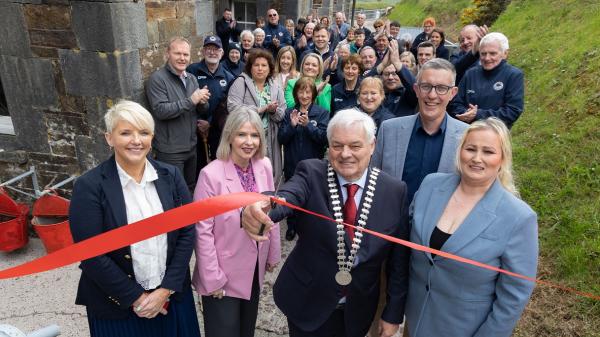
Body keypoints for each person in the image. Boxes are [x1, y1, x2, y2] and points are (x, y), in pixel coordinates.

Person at [241, 108, 410, 337]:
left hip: (358, 309)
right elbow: (288, 196)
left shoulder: (394, 191)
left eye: (355, 146)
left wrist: (393, 313)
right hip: (307, 301)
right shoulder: (311, 173)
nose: (345, 154)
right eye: (337, 145)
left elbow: (398, 262)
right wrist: (264, 206)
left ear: (372, 145)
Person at [69, 100, 201, 337]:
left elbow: (187, 230)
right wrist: (137, 298)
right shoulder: (89, 186)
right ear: (109, 138)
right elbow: (90, 252)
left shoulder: (170, 175)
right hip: (118, 305)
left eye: (143, 132)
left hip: (171, 298)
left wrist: (166, 289)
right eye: (126, 133)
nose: (136, 140)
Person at [405, 117, 538, 337]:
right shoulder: (431, 185)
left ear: (502, 158)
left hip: (463, 329)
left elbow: (514, 296)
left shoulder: (519, 218)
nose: (477, 158)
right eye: (471, 149)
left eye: (488, 152)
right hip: (414, 319)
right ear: (460, 152)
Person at [193, 107, 281, 337]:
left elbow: (272, 212)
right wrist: (213, 279)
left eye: (254, 135)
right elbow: (203, 231)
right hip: (223, 273)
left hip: (253, 267)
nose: (249, 142)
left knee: (246, 330)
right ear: (230, 135)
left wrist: (273, 253)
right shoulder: (210, 175)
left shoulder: (265, 166)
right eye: (242, 134)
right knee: (224, 331)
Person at [372, 58, 468, 202]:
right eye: (426, 86)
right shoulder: (389, 130)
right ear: (416, 89)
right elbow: (373, 181)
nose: (432, 95)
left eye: (441, 88)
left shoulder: (466, 137)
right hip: (391, 221)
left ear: (453, 93)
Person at [146, 37, 210, 190]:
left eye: (186, 54)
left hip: (191, 146)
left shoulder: (192, 79)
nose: (182, 58)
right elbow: (161, 111)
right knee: (173, 190)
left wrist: (203, 102)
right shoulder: (157, 79)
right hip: (170, 150)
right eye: (177, 53)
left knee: (190, 187)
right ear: (168, 54)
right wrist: (192, 100)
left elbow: (201, 109)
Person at [278, 77, 329, 241]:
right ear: (296, 93)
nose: (304, 95)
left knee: (312, 197)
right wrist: (292, 126)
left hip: (313, 165)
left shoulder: (322, 113)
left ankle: (309, 228)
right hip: (293, 165)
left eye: (308, 91)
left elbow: (324, 139)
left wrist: (309, 126)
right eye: (301, 91)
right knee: (292, 197)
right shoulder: (289, 112)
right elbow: (281, 139)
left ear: (313, 93)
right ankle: (292, 226)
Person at [227, 48, 286, 184]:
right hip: (246, 136)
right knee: (246, 171)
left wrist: (272, 111)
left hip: (269, 137)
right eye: (256, 65)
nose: (260, 69)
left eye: (264, 65)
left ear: (270, 68)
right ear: (250, 67)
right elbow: (233, 108)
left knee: (267, 172)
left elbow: (281, 113)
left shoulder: (275, 86)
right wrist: (260, 109)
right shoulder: (241, 82)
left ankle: (267, 199)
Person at [449, 32, 525, 128]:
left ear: (505, 53)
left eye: (493, 53)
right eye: (483, 54)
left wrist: (479, 114)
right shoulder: (470, 74)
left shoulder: (513, 75)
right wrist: (465, 113)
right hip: (467, 132)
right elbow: (455, 103)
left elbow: (512, 111)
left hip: (496, 135)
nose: (487, 58)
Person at [187, 35, 235, 169]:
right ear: (203, 51)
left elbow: (227, 106)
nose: (212, 52)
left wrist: (210, 122)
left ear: (222, 53)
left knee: (218, 164)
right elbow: (186, 97)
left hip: (217, 129)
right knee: (198, 167)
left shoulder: (229, 77)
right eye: (209, 48)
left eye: (216, 49)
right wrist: (198, 121)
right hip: (194, 128)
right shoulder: (191, 71)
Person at [380, 41, 418, 118]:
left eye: (394, 74)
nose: (390, 77)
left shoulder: (407, 94)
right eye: (387, 74)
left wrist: (397, 63)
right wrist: (381, 66)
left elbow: (415, 87)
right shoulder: (377, 94)